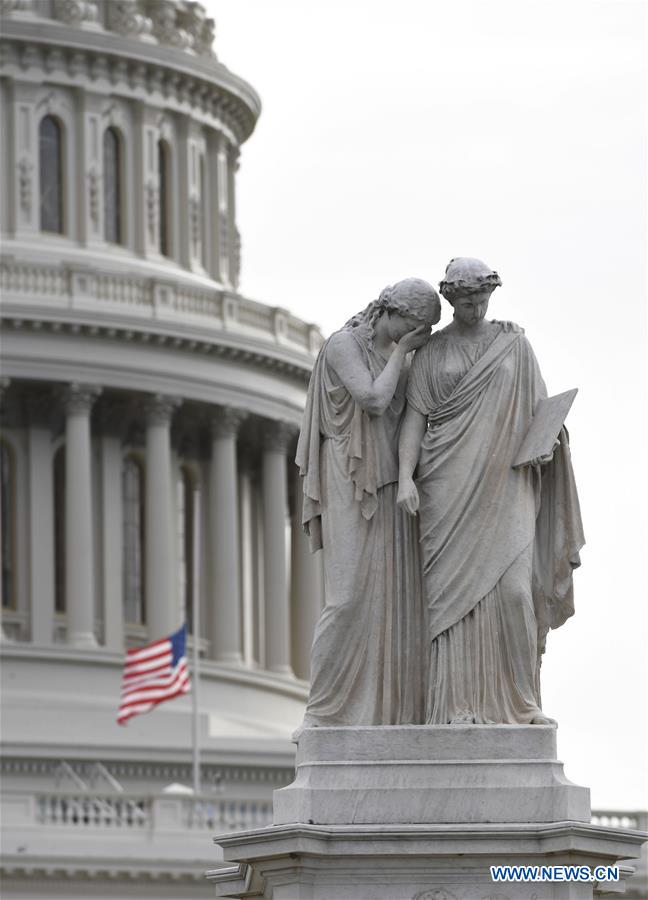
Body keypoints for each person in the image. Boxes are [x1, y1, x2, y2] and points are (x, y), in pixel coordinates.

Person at [398, 257, 584, 726]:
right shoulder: (433, 353)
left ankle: (522, 704)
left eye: (482, 299)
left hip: (508, 480)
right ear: (450, 300)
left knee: (515, 594)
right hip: (446, 483)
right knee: (451, 603)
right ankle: (456, 706)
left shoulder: (514, 347)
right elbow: (415, 419)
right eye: (466, 301)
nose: (476, 308)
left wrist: (549, 443)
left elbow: (541, 412)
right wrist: (404, 477)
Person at [296, 278, 441, 729]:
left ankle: (385, 712)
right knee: (346, 598)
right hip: (349, 476)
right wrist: (404, 352)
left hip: (389, 482)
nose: (416, 338)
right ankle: (323, 711)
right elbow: (374, 400)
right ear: (390, 313)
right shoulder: (344, 344)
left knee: (391, 602)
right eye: (414, 328)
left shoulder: (407, 355)